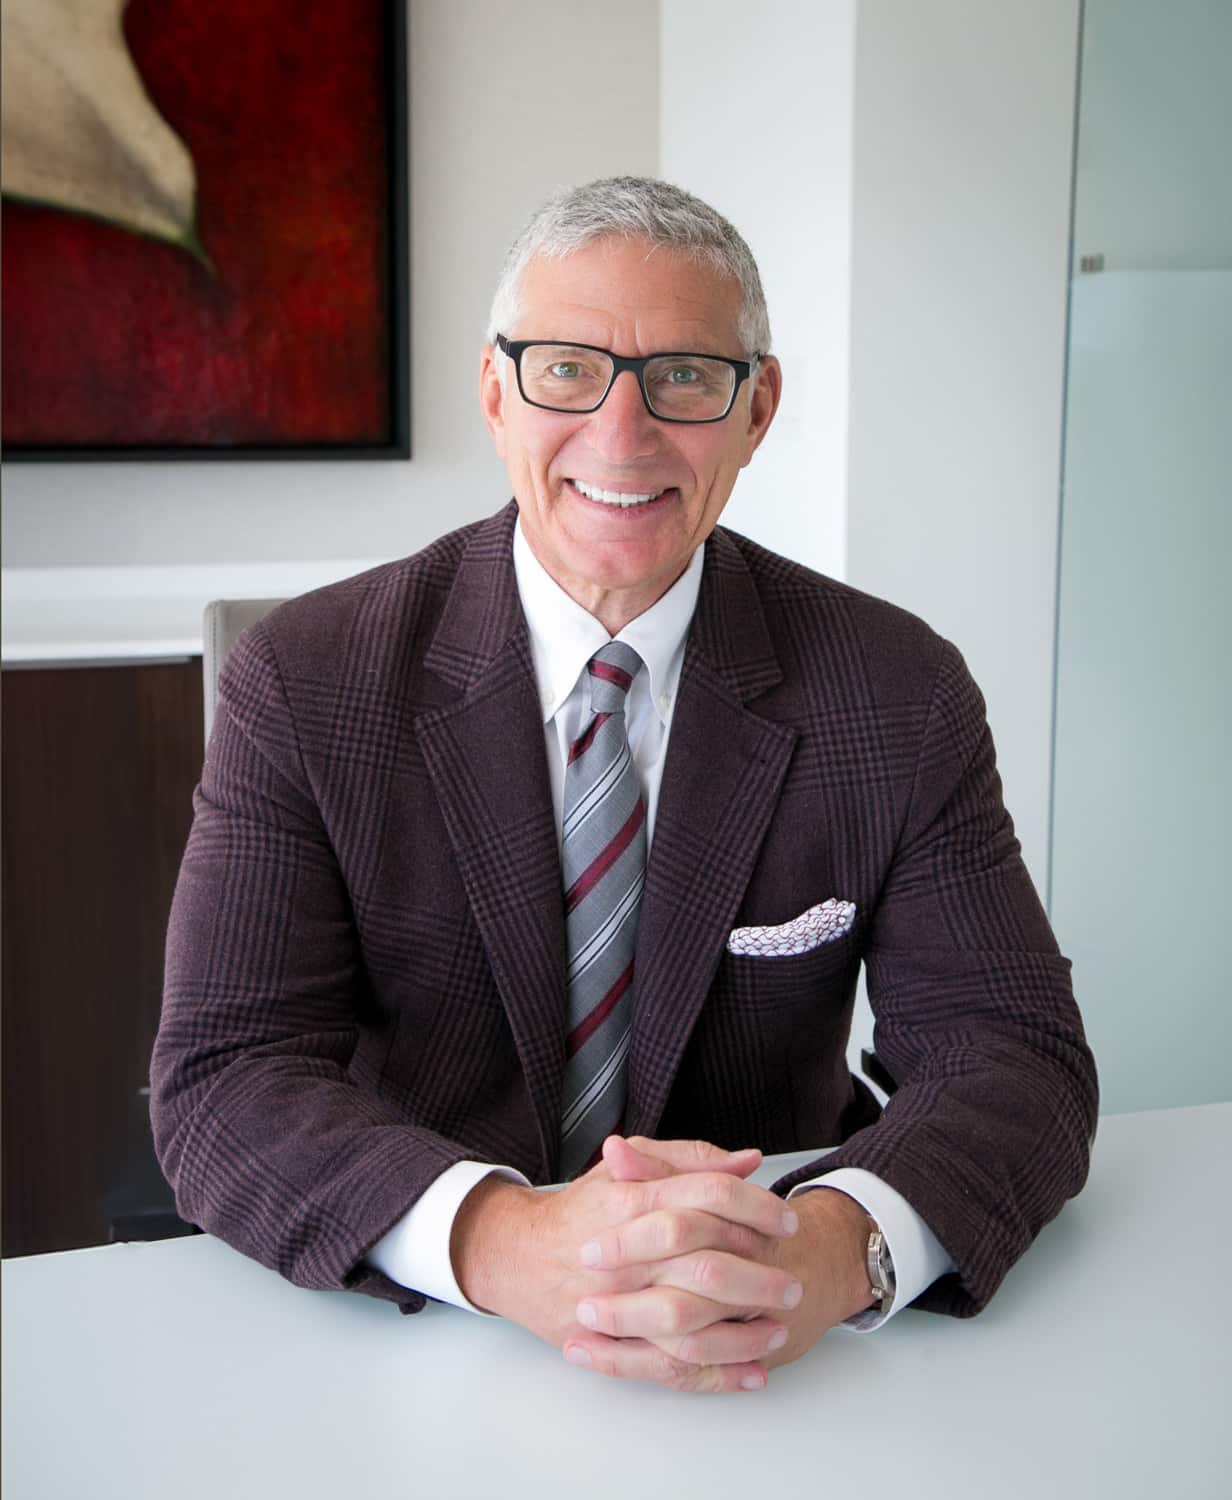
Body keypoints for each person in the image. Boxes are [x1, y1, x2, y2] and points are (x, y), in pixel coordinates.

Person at [152, 176, 1097, 1395]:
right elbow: (227, 1073)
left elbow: (1012, 1054)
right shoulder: (309, 679)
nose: (620, 433)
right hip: (420, 1334)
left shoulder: (894, 691)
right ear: (494, 394)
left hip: (776, 1353)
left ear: (757, 409)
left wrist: (834, 1249)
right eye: (564, 370)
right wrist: (503, 1241)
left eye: (685, 378)